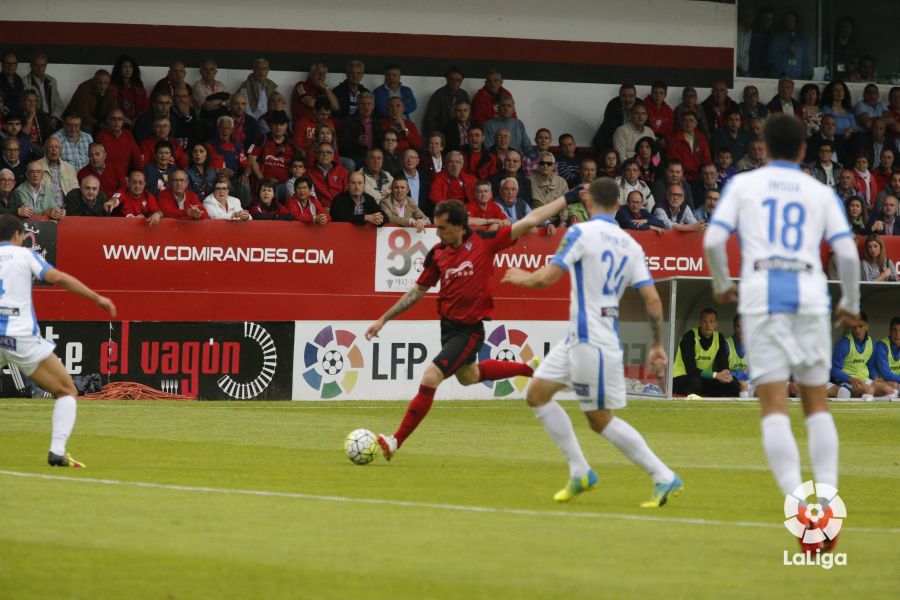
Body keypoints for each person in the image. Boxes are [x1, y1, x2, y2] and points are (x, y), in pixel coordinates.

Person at [703, 113, 861, 553]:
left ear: (764, 147)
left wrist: (720, 284)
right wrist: (849, 301)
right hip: (811, 299)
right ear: (805, 150)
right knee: (816, 406)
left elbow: (714, 242)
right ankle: (828, 505)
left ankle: (801, 514)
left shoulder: (743, 185)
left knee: (773, 406)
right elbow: (847, 253)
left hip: (762, 301)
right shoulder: (819, 191)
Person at [501, 178, 683, 506]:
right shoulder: (631, 245)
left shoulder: (579, 233)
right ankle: (579, 471)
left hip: (592, 340)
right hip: (581, 338)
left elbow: (547, 278)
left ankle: (663, 475)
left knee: (600, 419)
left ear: (586, 203)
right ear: (618, 205)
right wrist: (657, 344)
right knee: (537, 394)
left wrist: (521, 278)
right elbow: (653, 300)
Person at [365, 193, 572, 461]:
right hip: (448, 328)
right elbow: (417, 291)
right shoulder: (437, 253)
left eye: (442, 228)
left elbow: (530, 219)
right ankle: (529, 368)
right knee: (469, 376)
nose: (437, 233)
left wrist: (566, 199)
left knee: (430, 377)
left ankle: (395, 440)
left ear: (460, 227)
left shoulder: (485, 243)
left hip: (470, 330)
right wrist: (384, 318)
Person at [0, 214, 116, 467]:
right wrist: (97, 298)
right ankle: (57, 451)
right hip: (19, 335)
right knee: (66, 391)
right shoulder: (25, 255)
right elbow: (59, 278)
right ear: (18, 236)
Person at [672, 308, 740, 398]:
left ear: (716, 324)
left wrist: (725, 374)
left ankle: (729, 409)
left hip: (704, 379)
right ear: (700, 323)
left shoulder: (719, 337)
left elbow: (723, 363)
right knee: (695, 382)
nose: (708, 325)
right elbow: (691, 370)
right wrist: (715, 375)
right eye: (705, 321)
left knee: (733, 382)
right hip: (682, 378)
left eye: (711, 322)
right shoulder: (689, 337)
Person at [828, 313, 894, 400]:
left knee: (889, 391)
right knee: (869, 390)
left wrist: (875, 377)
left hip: (864, 379)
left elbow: (871, 366)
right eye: (854, 327)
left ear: (867, 326)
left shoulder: (871, 344)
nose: (857, 330)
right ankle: (844, 392)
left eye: (860, 326)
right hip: (846, 380)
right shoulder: (844, 344)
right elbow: (834, 369)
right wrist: (850, 379)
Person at [422, 66, 469, 135]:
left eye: (458, 80)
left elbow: (469, 116)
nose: (455, 82)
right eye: (452, 80)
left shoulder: (464, 94)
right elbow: (431, 119)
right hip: (443, 134)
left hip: (461, 133)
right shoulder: (438, 95)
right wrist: (437, 136)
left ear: (462, 80)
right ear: (447, 79)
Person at [23, 53, 64, 129]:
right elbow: (28, 107)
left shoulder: (51, 81)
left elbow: (58, 103)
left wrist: (54, 117)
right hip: (37, 118)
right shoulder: (25, 83)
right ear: (31, 66)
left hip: (52, 117)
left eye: (42, 65)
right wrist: (44, 119)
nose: (39, 68)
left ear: (46, 66)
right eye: (36, 65)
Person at [109, 55, 149, 126]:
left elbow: (144, 105)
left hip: (137, 120)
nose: (128, 70)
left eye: (130, 67)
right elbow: (113, 106)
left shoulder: (138, 85)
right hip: (118, 120)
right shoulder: (113, 86)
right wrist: (129, 122)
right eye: (125, 67)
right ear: (119, 69)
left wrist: (137, 119)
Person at [874, 317, 900, 398]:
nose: (897, 334)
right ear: (889, 331)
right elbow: (887, 375)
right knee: (894, 385)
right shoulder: (882, 346)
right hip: (880, 382)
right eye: (894, 330)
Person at [725, 315, 750, 397]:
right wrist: (742, 372)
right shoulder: (726, 345)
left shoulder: (754, 345)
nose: (742, 330)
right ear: (734, 327)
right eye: (738, 326)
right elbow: (724, 373)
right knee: (742, 385)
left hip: (750, 382)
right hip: (732, 382)